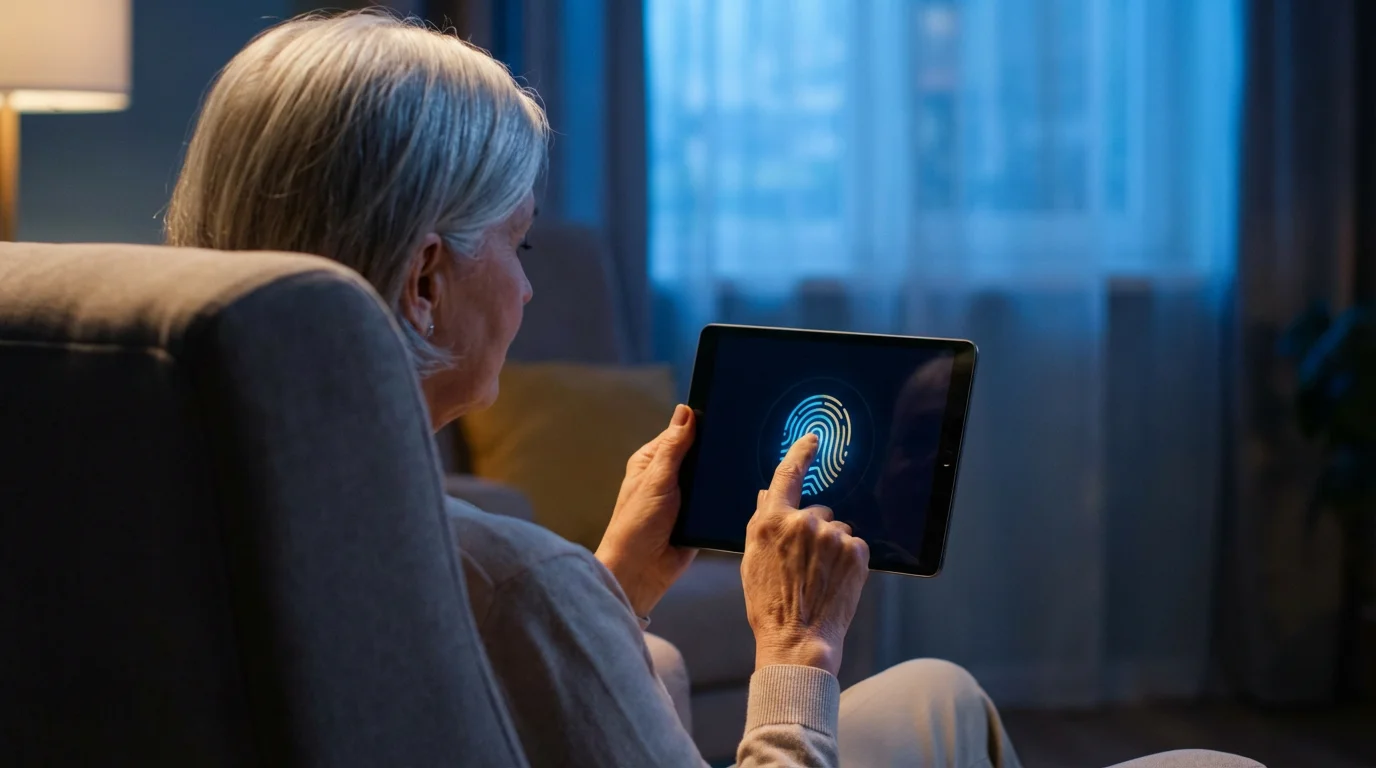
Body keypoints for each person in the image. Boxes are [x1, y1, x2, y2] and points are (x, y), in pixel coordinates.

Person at [165, 11, 1262, 768]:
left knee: (935, 694)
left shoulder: (210, 526)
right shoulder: (508, 578)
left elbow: (474, 693)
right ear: (421, 281)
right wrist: (797, 652)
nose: (529, 291)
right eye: (521, 245)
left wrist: (608, 592)